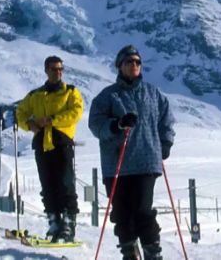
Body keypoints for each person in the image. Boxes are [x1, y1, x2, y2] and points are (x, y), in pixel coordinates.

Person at [89, 45, 175, 260]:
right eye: (129, 62)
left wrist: (165, 142)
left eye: (137, 62)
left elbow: (167, 119)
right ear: (120, 66)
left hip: (147, 161)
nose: (134, 65)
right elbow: (95, 124)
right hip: (116, 163)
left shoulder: (153, 93)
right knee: (121, 213)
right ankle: (129, 251)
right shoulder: (108, 96)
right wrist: (117, 124)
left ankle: (152, 252)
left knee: (143, 210)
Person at [15, 55, 84, 242]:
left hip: (62, 143)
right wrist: (29, 125)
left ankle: (69, 224)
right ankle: (54, 221)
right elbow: (20, 112)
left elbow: (76, 112)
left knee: (66, 184)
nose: (58, 72)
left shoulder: (70, 91)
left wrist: (53, 121)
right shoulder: (35, 95)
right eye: (54, 69)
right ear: (46, 70)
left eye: (60, 68)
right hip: (42, 145)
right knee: (48, 185)